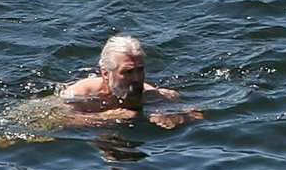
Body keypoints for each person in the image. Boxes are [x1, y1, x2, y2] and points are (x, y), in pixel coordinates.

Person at [61, 35, 200, 129]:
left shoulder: (152, 95)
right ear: (105, 73)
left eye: (140, 70)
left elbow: (197, 114)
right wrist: (103, 117)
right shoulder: (79, 95)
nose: (137, 78)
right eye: (127, 72)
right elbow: (57, 121)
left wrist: (176, 118)